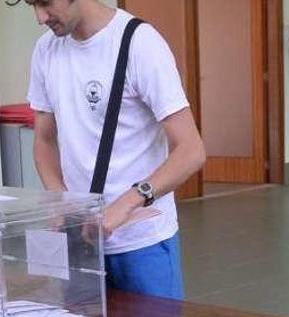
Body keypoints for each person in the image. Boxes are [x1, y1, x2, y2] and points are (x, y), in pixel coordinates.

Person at [25, 0, 206, 299]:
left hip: (142, 244)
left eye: (45, 3)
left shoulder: (139, 43)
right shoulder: (46, 50)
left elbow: (191, 150)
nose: (39, 17)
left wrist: (127, 203)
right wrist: (60, 199)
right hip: (81, 245)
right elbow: (44, 140)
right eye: (32, 6)